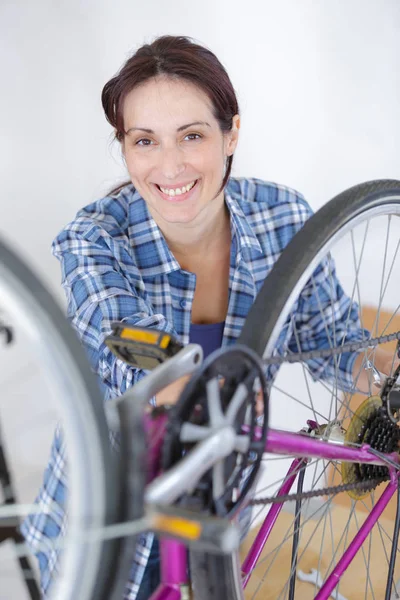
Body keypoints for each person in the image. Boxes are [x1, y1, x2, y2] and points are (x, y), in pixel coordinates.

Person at [21, 34, 397, 599]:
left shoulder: (284, 218)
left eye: (191, 135)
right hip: (99, 523)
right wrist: (218, 389)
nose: (168, 166)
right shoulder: (93, 239)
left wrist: (383, 377)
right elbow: (125, 346)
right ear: (124, 147)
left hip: (218, 515)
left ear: (231, 134)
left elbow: (337, 343)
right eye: (144, 140)